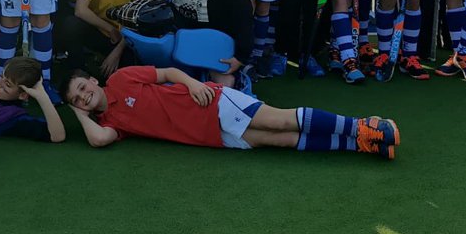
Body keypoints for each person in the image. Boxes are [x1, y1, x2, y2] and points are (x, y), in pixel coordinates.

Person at [64, 65, 398, 159]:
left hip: (212, 103)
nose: (85, 96)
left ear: (93, 80)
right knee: (280, 140)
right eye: (78, 99)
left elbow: (165, 73)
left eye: (83, 88)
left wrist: (195, 84)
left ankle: (363, 126)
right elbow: (100, 140)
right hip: (208, 137)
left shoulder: (121, 79)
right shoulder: (109, 122)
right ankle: (358, 145)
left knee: (280, 118)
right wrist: (78, 113)